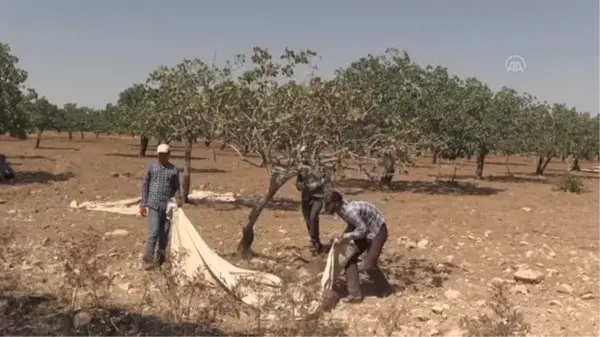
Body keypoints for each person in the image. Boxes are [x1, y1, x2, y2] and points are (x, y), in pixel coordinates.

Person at [323, 190, 394, 303]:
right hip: (366, 231)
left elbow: (362, 230)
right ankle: (355, 295)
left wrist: (345, 236)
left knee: (368, 265)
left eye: (328, 204)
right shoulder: (341, 210)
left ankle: (387, 289)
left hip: (377, 232)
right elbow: (353, 225)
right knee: (348, 258)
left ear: (336, 202)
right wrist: (343, 237)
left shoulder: (350, 211)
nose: (327, 208)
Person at [139, 144, 184, 270]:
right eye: (160, 155)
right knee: (153, 232)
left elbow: (176, 187)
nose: (162, 157)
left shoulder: (174, 170)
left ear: (169, 155)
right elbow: (145, 185)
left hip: (167, 206)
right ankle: (148, 259)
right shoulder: (151, 168)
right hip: (153, 205)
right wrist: (143, 204)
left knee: (164, 233)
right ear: (157, 155)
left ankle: (161, 259)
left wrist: (179, 199)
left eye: (164, 155)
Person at [296, 161, 331, 255]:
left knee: (313, 217)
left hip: (318, 197)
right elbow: (298, 183)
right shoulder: (301, 168)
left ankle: (314, 244)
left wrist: (317, 184)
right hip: (306, 198)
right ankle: (315, 242)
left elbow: (327, 177)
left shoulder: (319, 167)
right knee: (308, 221)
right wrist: (301, 185)